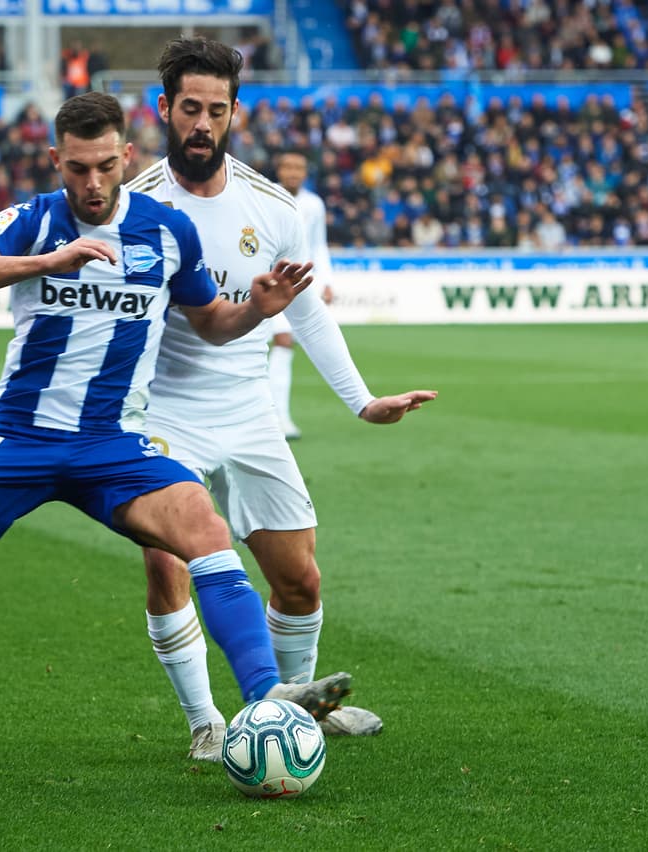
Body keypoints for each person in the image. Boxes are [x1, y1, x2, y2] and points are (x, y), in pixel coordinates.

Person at [0, 92, 348, 761]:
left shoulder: (168, 230)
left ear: (126, 158)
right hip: (20, 441)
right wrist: (44, 262)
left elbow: (209, 322)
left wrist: (257, 309)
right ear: (57, 159)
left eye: (105, 166)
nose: (92, 183)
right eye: (78, 168)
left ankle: (266, 698)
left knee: (204, 531)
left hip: (114, 445)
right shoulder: (32, 218)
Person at [124, 37, 438, 760]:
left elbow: (306, 310)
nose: (202, 124)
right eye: (189, 109)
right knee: (167, 560)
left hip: (248, 408)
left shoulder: (275, 208)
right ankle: (206, 721)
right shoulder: (132, 206)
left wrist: (362, 401)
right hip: (161, 412)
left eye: (217, 111)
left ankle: (297, 714)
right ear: (164, 109)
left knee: (299, 581)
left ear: (237, 113)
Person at [268, 150, 334, 440]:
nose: (293, 172)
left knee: (284, 344)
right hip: (266, 281)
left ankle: (278, 417)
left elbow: (319, 244)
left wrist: (327, 281)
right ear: (279, 170)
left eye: (299, 167)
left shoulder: (314, 204)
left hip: (299, 283)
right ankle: (274, 417)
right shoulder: (266, 196)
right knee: (279, 343)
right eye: (288, 166)